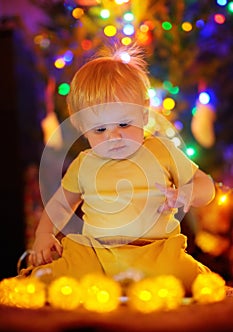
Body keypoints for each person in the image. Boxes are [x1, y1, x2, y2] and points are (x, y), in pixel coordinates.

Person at [29, 45, 215, 294]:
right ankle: (35, 280)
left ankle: (203, 281)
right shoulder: (85, 163)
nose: (114, 136)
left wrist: (187, 193)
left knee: (185, 275)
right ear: (81, 127)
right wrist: (43, 234)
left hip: (155, 251)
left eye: (124, 124)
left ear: (145, 111)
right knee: (56, 276)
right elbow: (61, 205)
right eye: (99, 130)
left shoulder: (161, 150)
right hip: (97, 252)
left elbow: (207, 187)